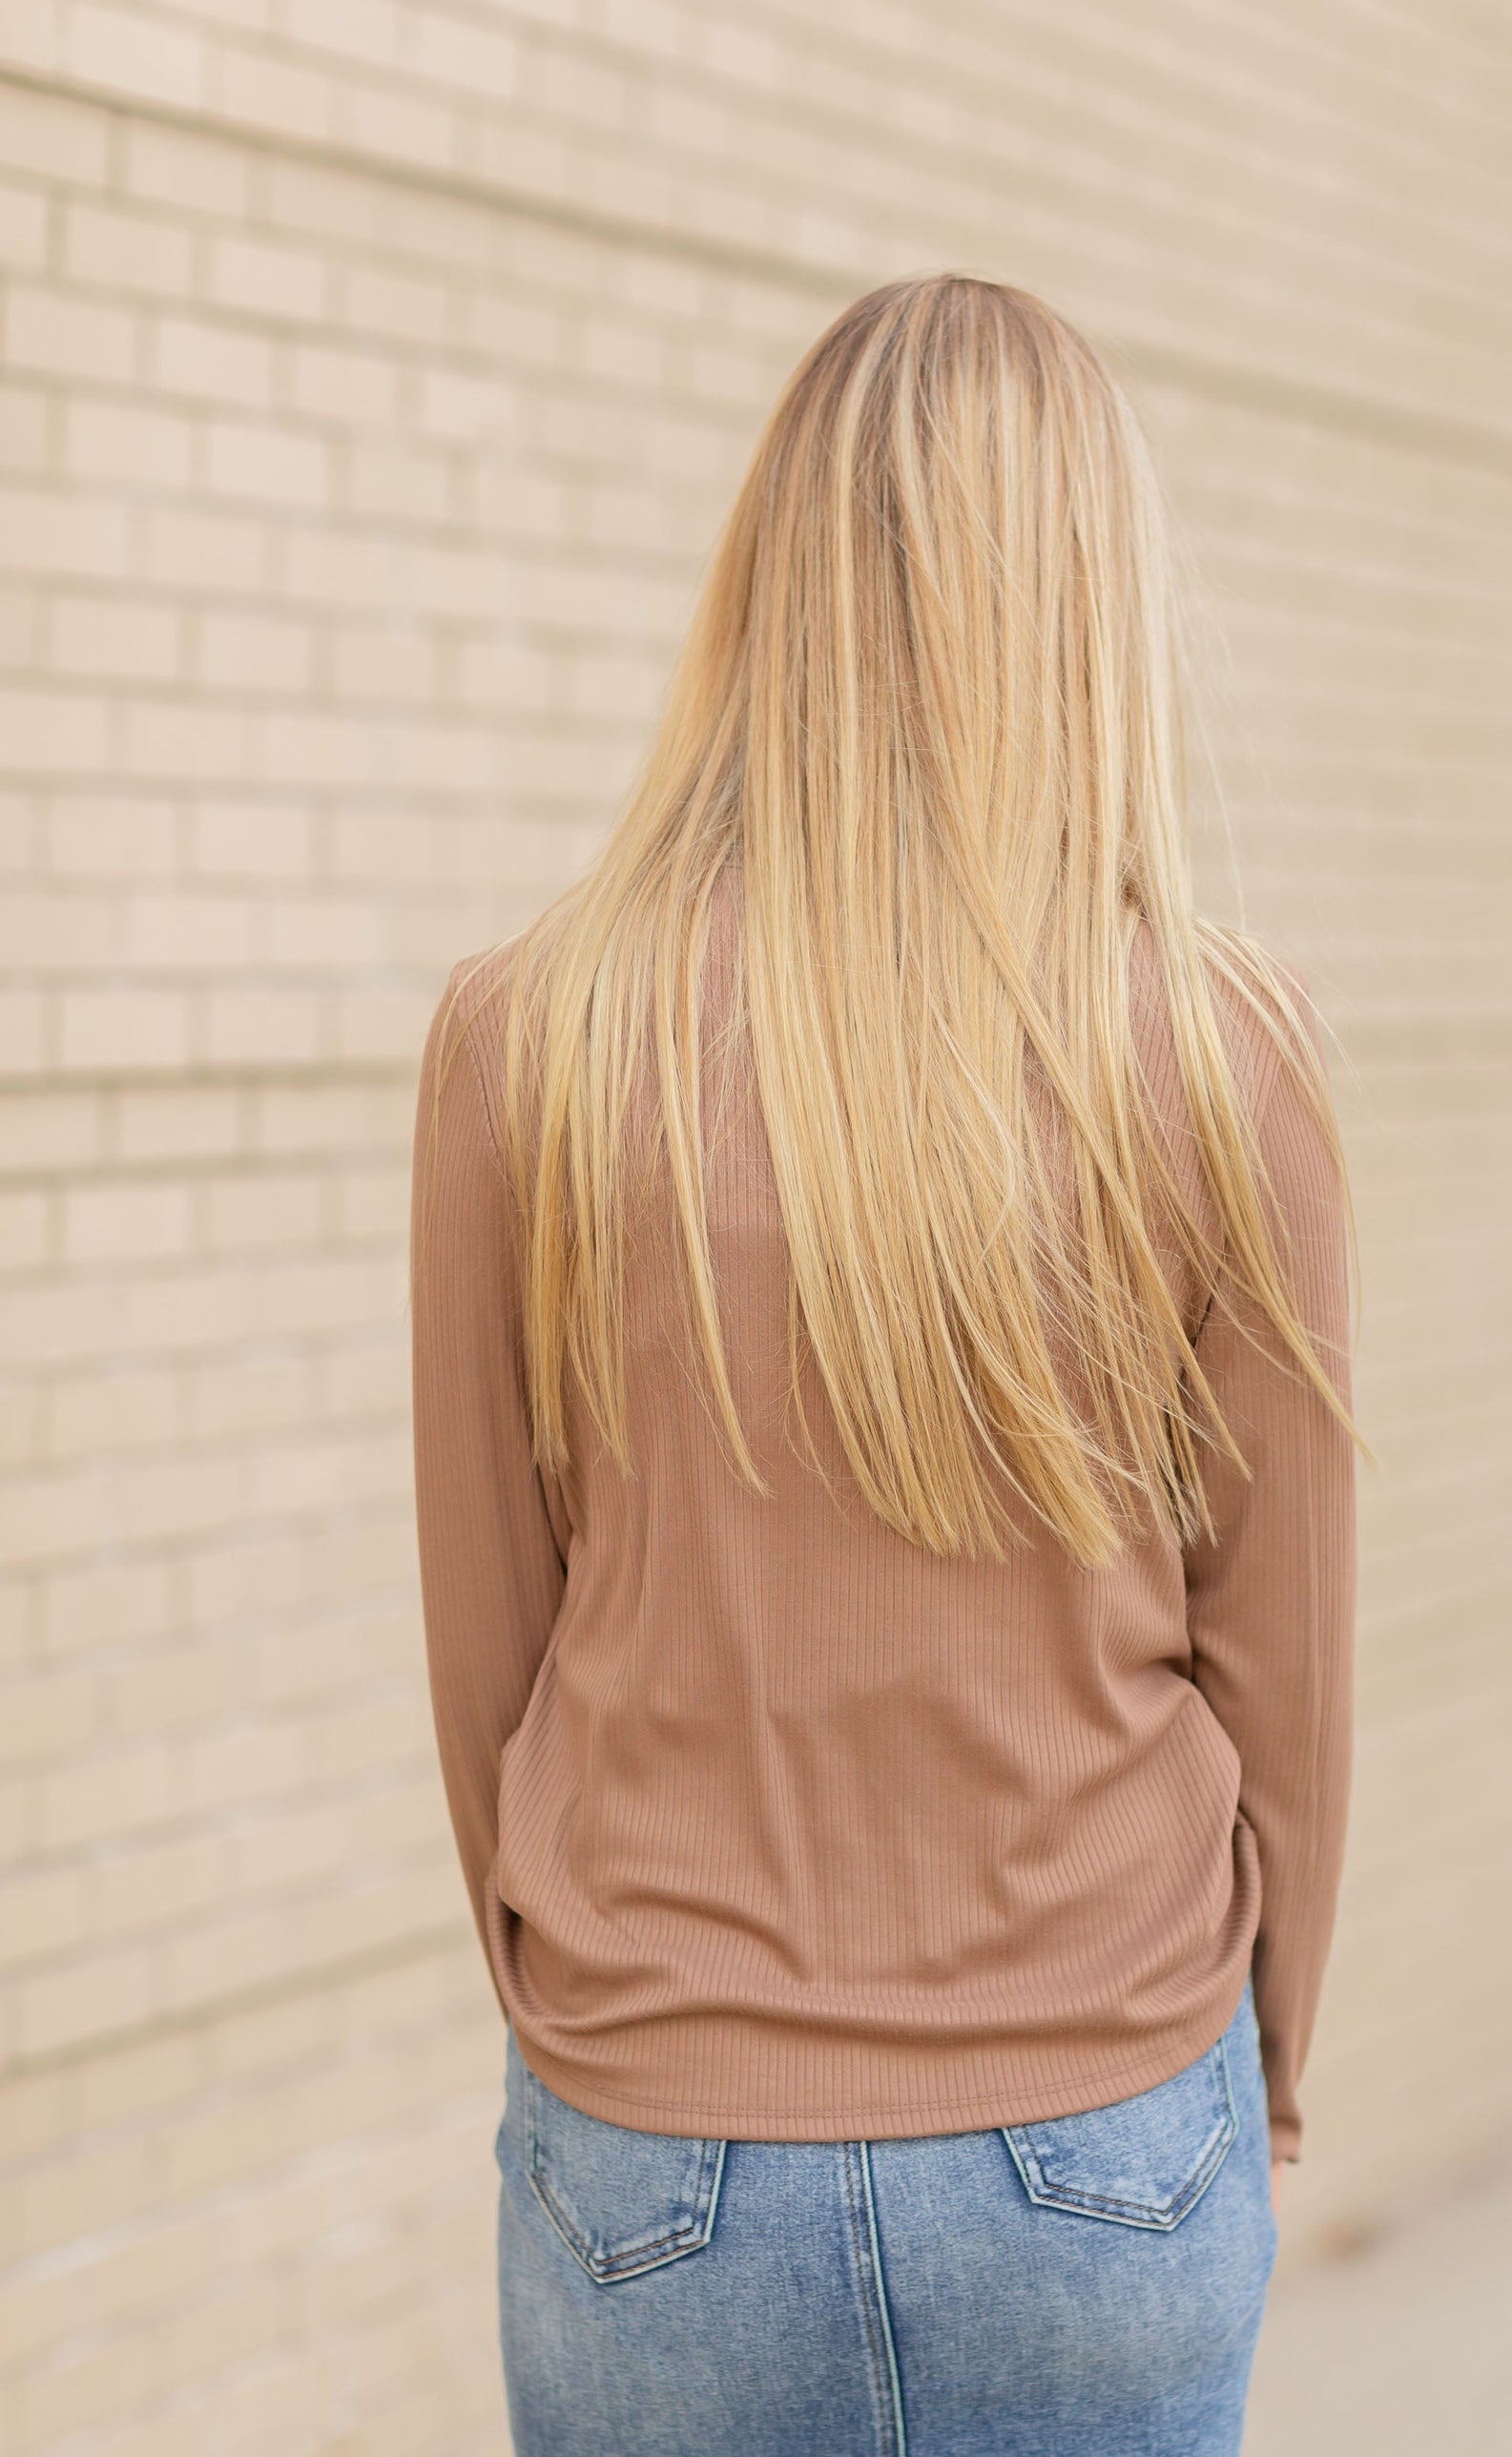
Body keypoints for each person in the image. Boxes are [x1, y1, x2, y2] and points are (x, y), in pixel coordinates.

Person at [409, 272, 1363, 2456]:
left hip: (655, 2158)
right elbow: (1283, 1675)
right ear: (1081, 593)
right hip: (1105, 2133)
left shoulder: (525, 1042)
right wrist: (1265, 2059)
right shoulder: (1222, 1059)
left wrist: (609, 2029)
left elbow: (493, 1656)